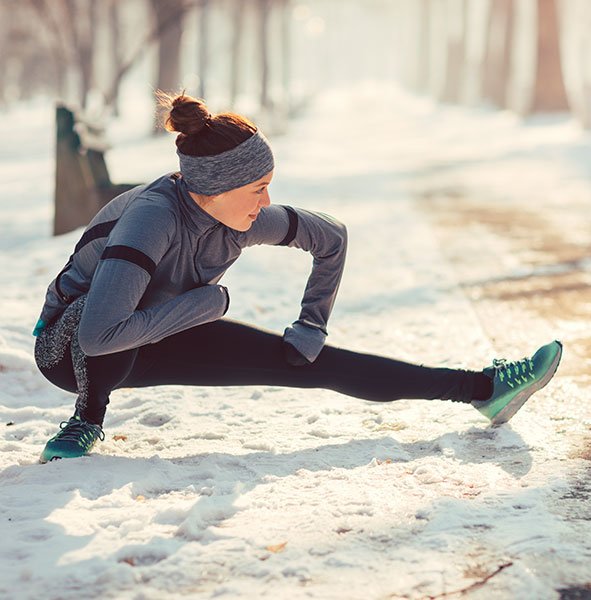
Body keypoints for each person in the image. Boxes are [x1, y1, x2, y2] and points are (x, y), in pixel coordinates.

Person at [33, 92, 563, 463]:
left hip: (155, 327)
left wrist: (312, 325)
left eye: (269, 185)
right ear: (215, 188)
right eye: (257, 188)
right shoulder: (151, 218)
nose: (266, 202)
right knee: (104, 318)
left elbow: (330, 237)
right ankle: (87, 417)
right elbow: (97, 334)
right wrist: (207, 304)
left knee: (310, 364)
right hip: (72, 350)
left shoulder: (235, 216)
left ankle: (481, 388)